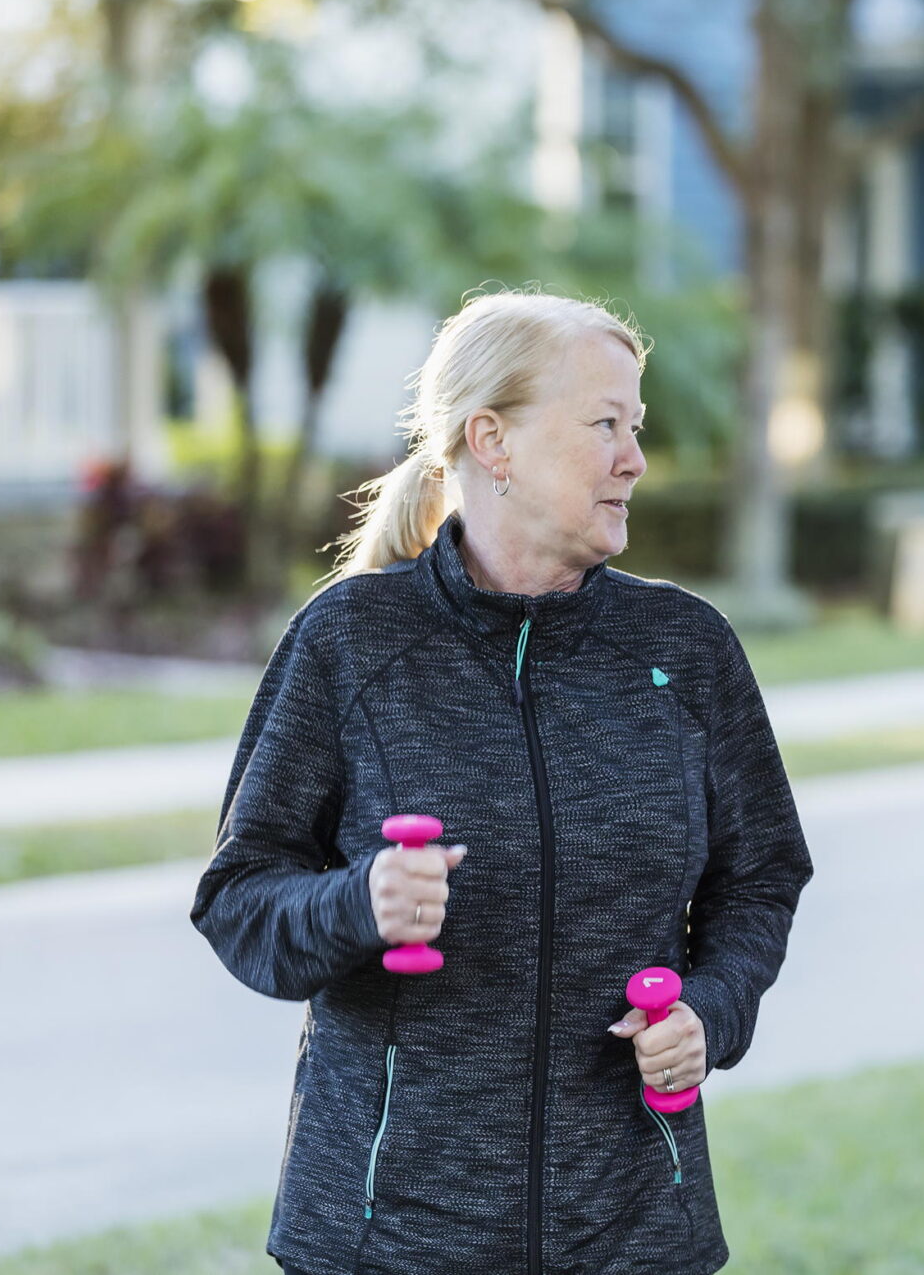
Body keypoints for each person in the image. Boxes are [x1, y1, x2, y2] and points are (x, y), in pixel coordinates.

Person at [192, 291, 812, 1275]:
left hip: (635, 1228)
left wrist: (710, 1007)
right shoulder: (352, 643)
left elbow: (762, 873)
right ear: (494, 441)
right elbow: (238, 899)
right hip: (385, 1235)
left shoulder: (684, 651)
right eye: (604, 424)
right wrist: (360, 901)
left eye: (635, 426)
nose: (634, 459)